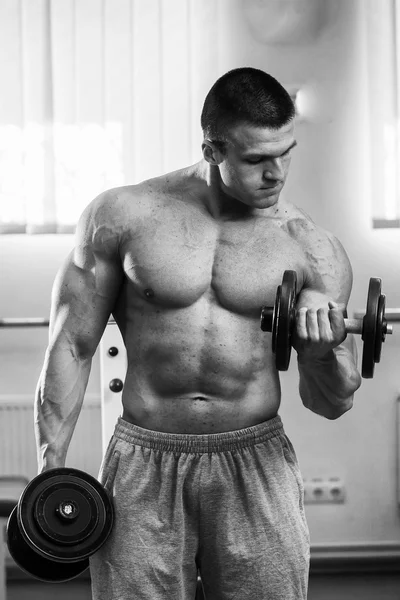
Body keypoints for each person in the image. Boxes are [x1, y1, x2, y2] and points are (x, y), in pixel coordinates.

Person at [34, 67, 362, 600]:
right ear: (212, 150)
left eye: (286, 153)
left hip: (255, 461)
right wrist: (51, 471)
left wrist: (322, 353)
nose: (276, 174)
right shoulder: (122, 217)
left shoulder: (311, 248)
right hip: (144, 459)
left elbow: (331, 402)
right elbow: (71, 343)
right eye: (256, 159)